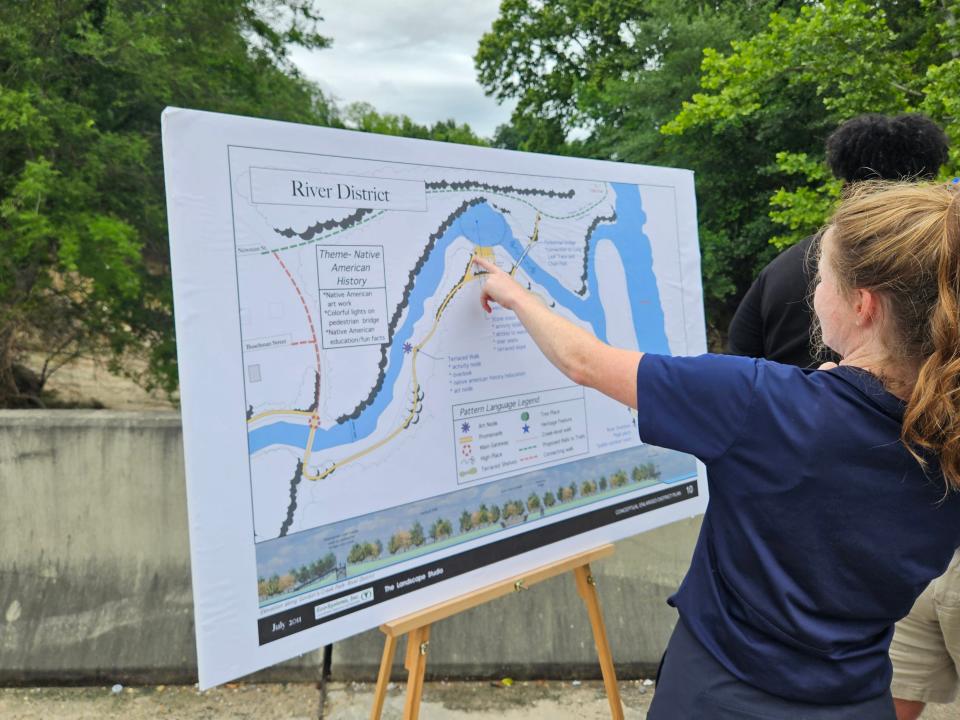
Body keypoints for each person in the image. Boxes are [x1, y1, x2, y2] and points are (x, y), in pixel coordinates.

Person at [473, 180, 960, 717]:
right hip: (857, 699)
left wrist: (514, 293)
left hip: (720, 694)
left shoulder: (760, 403)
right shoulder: (945, 435)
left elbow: (584, 362)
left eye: (822, 278)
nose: (815, 291)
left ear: (862, 303)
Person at [727, 113, 950, 367]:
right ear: (928, 189)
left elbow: (737, 367)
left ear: (847, 188)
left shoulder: (781, 270)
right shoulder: (946, 261)